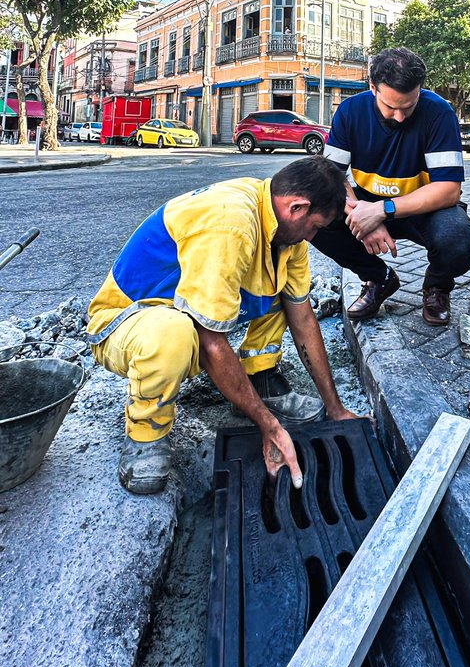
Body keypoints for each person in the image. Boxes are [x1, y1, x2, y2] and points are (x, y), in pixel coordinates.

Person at [87, 157, 358, 495]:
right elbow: (212, 343)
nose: (314, 235)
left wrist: (335, 408)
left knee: (278, 291)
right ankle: (146, 435)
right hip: (129, 320)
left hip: (184, 311)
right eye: (316, 225)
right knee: (175, 334)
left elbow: (302, 317)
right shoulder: (232, 224)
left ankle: (259, 378)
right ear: (297, 207)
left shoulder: (285, 235)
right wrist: (269, 427)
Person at [316, 48, 470, 327]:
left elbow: (449, 190)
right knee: (314, 218)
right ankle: (379, 279)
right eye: (391, 107)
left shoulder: (439, 112)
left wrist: (383, 211)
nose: (400, 117)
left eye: (409, 106)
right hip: (367, 200)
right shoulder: (350, 111)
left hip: (423, 205)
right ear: (372, 88)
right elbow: (330, 174)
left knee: (458, 241)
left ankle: (436, 287)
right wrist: (360, 215)